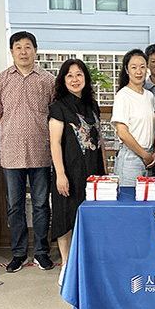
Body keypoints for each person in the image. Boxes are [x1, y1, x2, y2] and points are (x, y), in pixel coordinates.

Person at [0, 31, 55, 273]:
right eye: (18, 47)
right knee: (14, 205)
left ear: (36, 50)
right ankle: (18, 253)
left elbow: (55, 115)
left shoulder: (48, 80)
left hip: (41, 151)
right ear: (12, 51)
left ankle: (41, 252)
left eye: (28, 47)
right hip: (11, 152)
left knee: (41, 205)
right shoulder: (2, 79)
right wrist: (12, 129)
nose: (23, 52)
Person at [49, 59, 106, 286]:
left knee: (90, 216)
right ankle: (66, 264)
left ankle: (87, 262)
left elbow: (99, 140)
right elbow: (55, 143)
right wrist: (60, 174)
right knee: (65, 216)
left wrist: (105, 171)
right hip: (69, 170)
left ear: (85, 78)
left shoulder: (92, 105)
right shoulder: (58, 107)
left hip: (93, 170)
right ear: (63, 80)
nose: (75, 79)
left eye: (79, 74)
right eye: (70, 75)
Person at [111, 49, 155, 186]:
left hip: (150, 157)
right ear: (127, 70)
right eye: (134, 67)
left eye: (142, 67)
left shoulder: (150, 96)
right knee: (129, 198)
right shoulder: (123, 95)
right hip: (131, 158)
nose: (139, 71)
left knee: (147, 198)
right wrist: (144, 155)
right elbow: (122, 133)